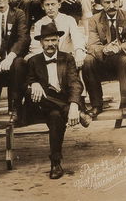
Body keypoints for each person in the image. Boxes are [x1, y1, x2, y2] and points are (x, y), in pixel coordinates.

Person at [23, 23, 84, 180]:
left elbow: (75, 83)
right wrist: (33, 83)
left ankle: (55, 163)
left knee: (56, 116)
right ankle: (72, 111)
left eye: (54, 40)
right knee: (38, 96)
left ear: (58, 41)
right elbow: (26, 83)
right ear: (41, 42)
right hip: (41, 104)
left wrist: (74, 105)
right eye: (47, 41)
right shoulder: (33, 61)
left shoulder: (67, 58)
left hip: (58, 103)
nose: (50, 44)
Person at [82, 0, 126, 118]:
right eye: (107, 2)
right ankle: (96, 105)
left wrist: (118, 48)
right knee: (88, 61)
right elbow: (92, 46)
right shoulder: (94, 20)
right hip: (103, 62)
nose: (111, 5)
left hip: (124, 63)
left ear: (120, 2)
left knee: (125, 59)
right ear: (101, 4)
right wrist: (105, 49)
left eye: (114, 1)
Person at [27, 0, 88, 66]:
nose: (50, 8)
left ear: (59, 5)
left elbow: (77, 37)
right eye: (47, 5)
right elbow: (35, 46)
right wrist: (45, 59)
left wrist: (78, 51)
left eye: (53, 4)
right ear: (43, 7)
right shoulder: (39, 24)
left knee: (85, 59)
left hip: (66, 57)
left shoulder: (69, 20)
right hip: (48, 58)